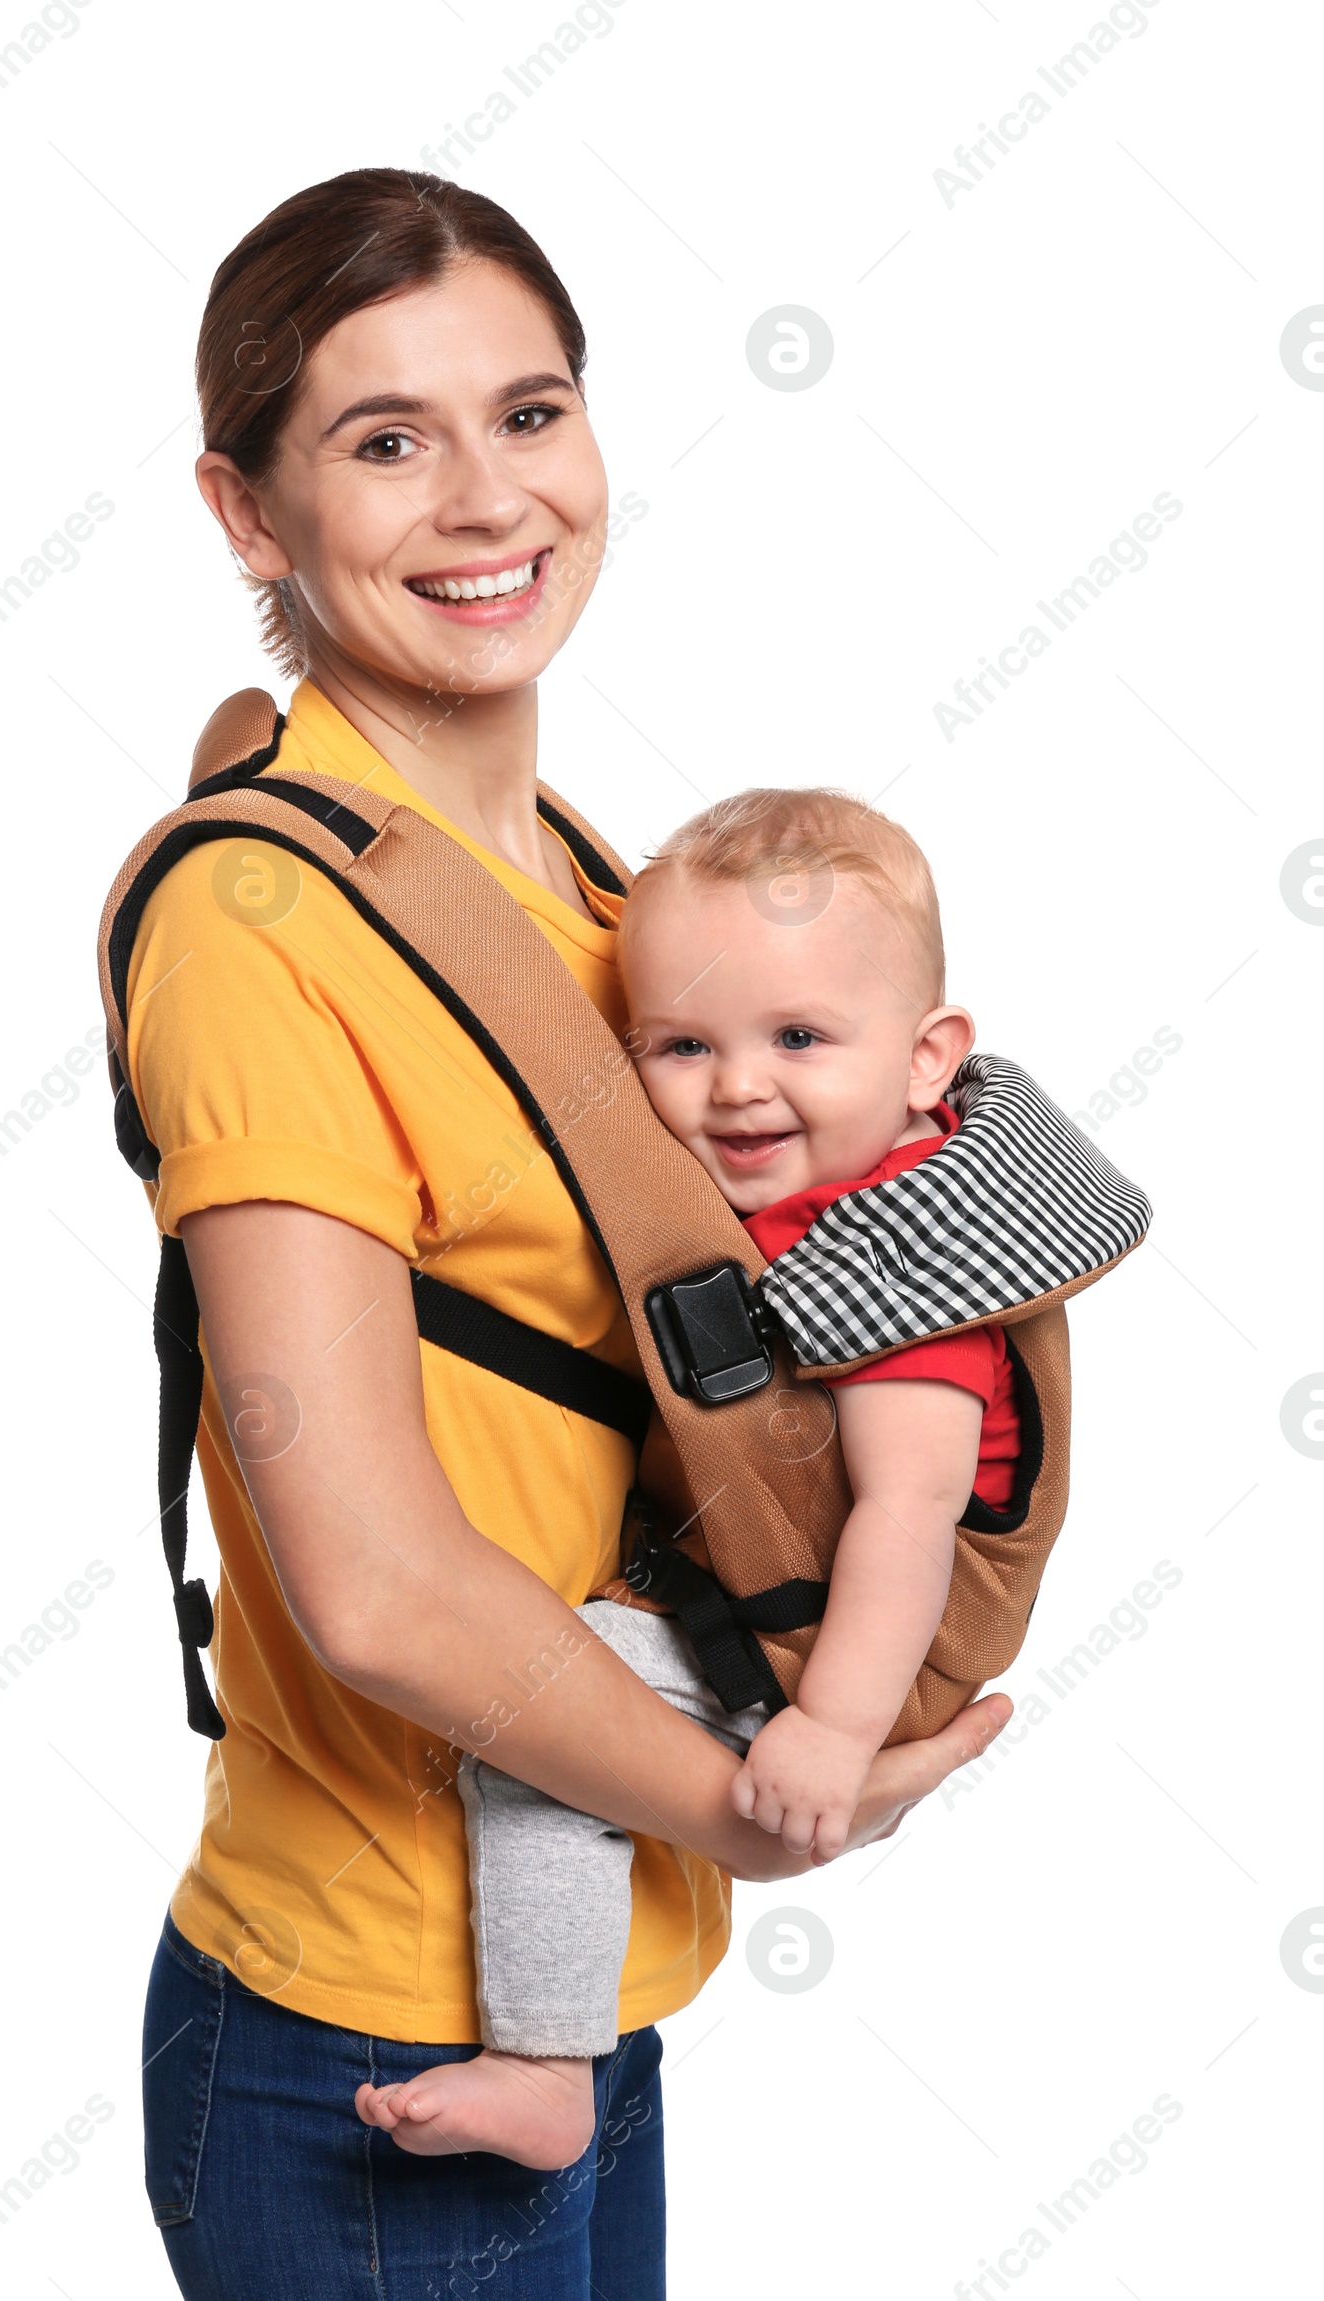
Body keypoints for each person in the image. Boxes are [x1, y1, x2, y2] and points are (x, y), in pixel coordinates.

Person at [129, 167, 1010, 2301]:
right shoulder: (262, 920)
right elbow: (376, 1585)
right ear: (247, 514)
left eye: (526, 414)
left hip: (578, 1986)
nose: (477, 497)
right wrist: (767, 1800)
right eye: (381, 438)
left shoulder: (605, 900)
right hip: (369, 2018)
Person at [359, 785, 1026, 2170]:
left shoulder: (898, 1269)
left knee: (544, 1711)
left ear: (927, 1058)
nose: (735, 1084)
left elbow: (909, 1514)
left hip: (856, 1644)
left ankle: (544, 2062)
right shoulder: (805, 1189)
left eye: (797, 1037)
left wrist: (837, 1734)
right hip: (792, 1599)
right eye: (680, 1043)